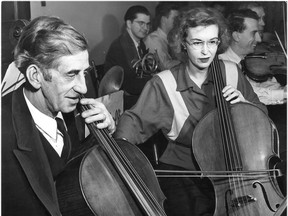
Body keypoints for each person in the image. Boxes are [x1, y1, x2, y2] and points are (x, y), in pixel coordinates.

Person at [114, 7, 267, 216]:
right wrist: (117, 149)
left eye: (212, 42)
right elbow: (134, 122)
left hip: (234, 167)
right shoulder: (164, 83)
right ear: (183, 43)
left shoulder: (232, 72)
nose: (206, 51)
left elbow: (262, 115)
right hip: (185, 172)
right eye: (197, 43)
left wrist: (246, 108)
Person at [2, 16, 116, 216]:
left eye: (85, 73)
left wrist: (104, 136)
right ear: (35, 76)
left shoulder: (74, 107)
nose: (83, 87)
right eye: (71, 74)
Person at [218, 9, 287, 105]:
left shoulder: (250, 63)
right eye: (253, 33)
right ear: (236, 36)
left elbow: (263, 85)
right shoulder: (222, 64)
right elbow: (245, 94)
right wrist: (282, 94)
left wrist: (282, 89)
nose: (259, 39)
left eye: (258, 33)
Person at [104, 5, 151, 110]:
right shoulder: (120, 46)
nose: (146, 28)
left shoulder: (140, 43)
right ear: (129, 24)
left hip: (135, 94)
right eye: (141, 23)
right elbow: (130, 85)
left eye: (148, 24)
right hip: (123, 101)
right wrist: (154, 80)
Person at [144, 2, 181, 71]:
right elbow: (164, 67)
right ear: (163, 20)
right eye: (175, 18)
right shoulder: (153, 40)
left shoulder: (172, 38)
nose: (178, 21)